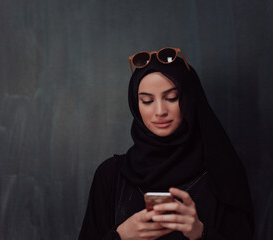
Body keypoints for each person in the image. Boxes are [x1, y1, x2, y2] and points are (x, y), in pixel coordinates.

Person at [78, 47, 254, 240]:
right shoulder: (111, 175)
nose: (160, 111)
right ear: (135, 105)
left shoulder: (221, 174)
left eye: (171, 98)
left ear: (189, 99)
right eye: (147, 101)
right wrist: (121, 236)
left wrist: (200, 233)